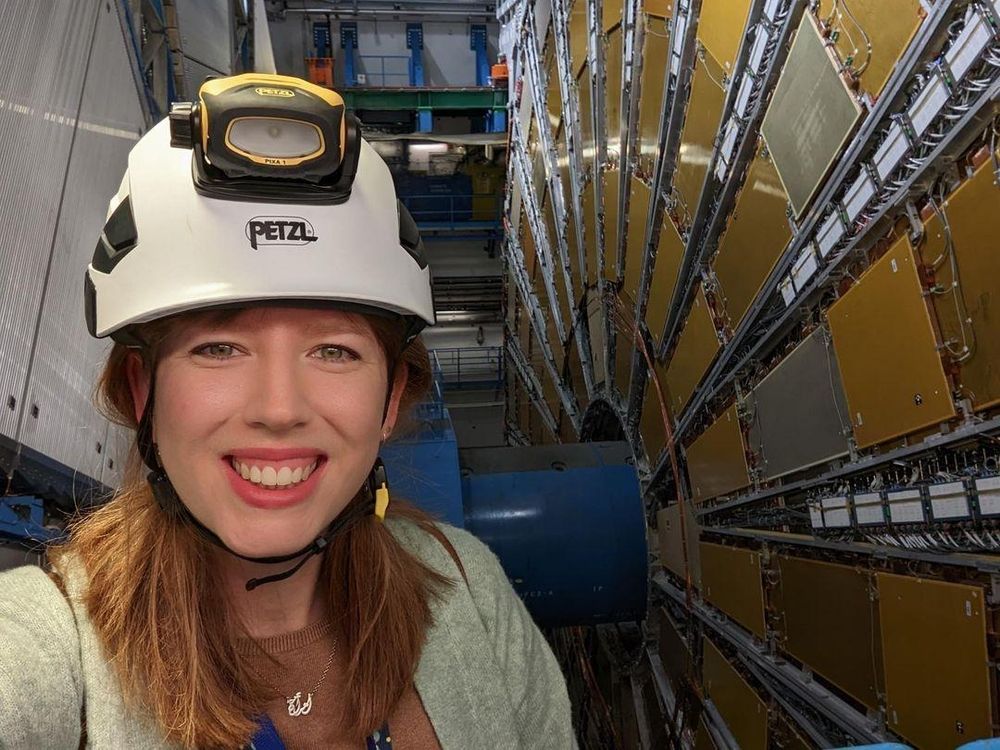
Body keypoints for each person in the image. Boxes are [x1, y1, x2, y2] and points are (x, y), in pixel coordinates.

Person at [0, 74, 572, 749]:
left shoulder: (466, 591)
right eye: (219, 347)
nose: (279, 409)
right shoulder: (52, 649)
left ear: (391, 399)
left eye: (334, 351)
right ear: (141, 391)